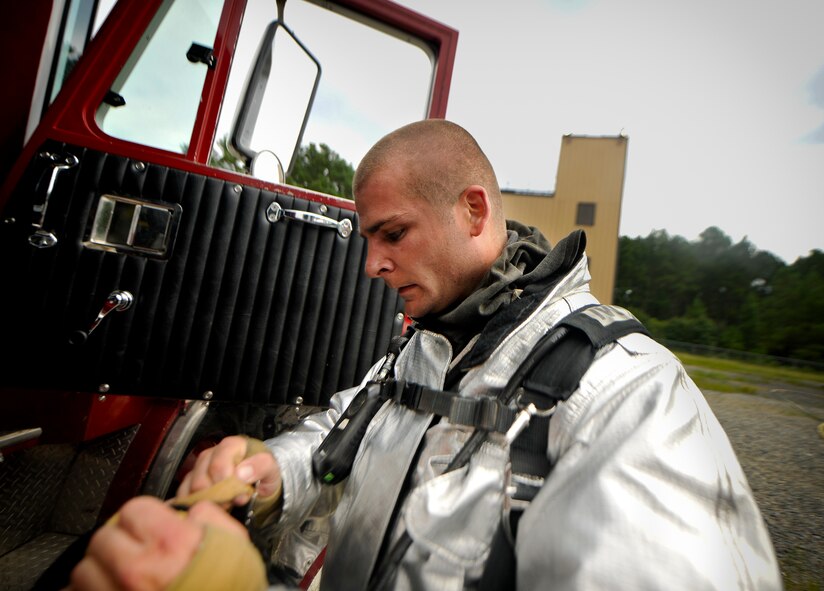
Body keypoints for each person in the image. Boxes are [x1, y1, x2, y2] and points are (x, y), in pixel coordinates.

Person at [70, 120, 781, 590]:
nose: (371, 264)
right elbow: (340, 436)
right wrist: (264, 472)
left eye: (393, 234)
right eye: (368, 238)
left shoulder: (628, 393)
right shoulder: (427, 347)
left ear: (473, 212)